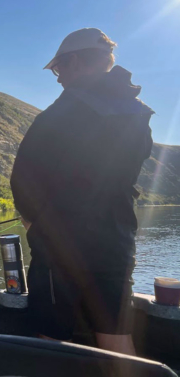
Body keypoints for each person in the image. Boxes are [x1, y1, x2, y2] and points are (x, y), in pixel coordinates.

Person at [10, 28, 153, 355]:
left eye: (59, 69)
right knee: (116, 335)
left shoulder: (58, 114)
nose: (58, 80)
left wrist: (36, 225)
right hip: (117, 241)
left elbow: (23, 180)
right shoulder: (139, 114)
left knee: (50, 337)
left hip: (60, 244)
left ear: (74, 62)